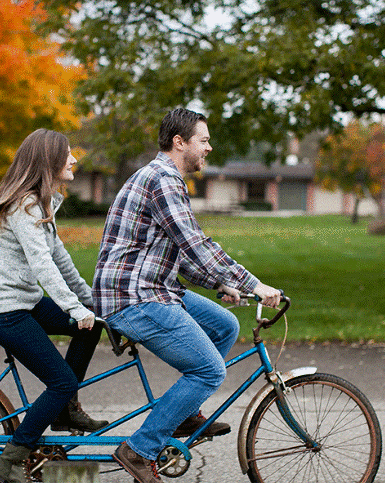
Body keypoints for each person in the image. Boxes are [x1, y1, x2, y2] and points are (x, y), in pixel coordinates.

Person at [92, 108, 284, 483]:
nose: (209, 147)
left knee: (225, 325)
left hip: (153, 287)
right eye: (204, 140)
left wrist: (222, 284)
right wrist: (252, 284)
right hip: (134, 297)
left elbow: (177, 252)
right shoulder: (163, 179)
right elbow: (195, 244)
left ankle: (183, 414)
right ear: (179, 142)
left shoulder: (164, 179)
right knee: (210, 370)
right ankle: (139, 449)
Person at [0, 128, 107, 483]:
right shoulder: (26, 205)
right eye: (67, 154)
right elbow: (41, 264)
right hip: (0, 308)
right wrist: (75, 308)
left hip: (21, 302)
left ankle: (64, 413)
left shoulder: (40, 203)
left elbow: (60, 258)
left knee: (90, 328)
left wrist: (92, 305)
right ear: (48, 161)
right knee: (60, 380)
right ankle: (11, 460)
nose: (74, 159)